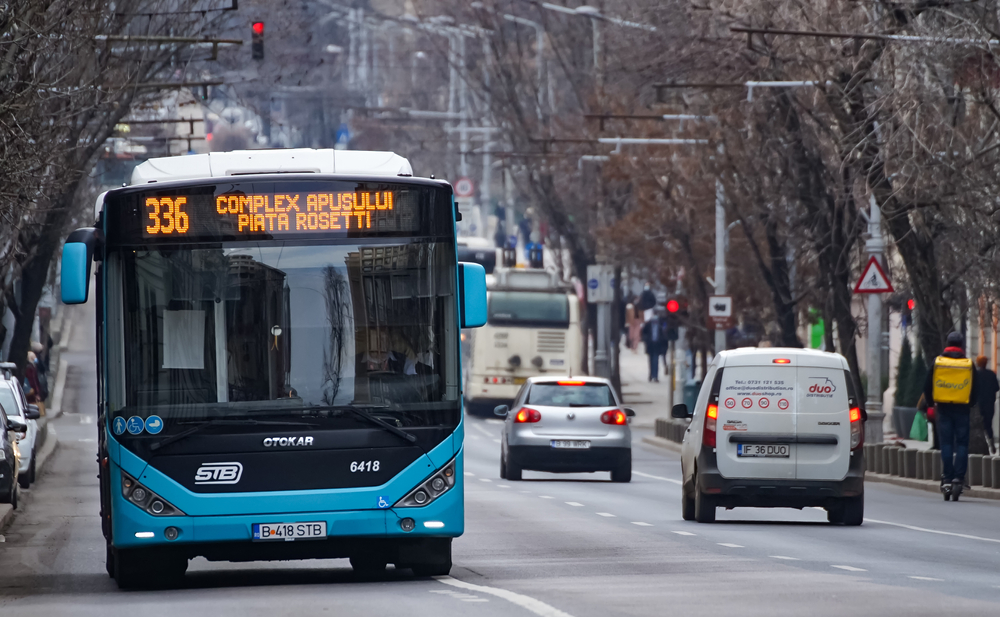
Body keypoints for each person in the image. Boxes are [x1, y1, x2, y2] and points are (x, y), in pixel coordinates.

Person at [924, 332, 978, 500]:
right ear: (961, 345)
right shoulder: (968, 364)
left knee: (946, 443)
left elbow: (927, 384)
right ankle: (959, 478)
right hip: (962, 408)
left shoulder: (938, 362)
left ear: (947, 343)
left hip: (944, 407)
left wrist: (931, 402)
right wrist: (970, 404)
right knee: (962, 443)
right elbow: (975, 388)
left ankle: (947, 477)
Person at [975, 355, 998, 455]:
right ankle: (991, 443)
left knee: (979, 425)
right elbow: (997, 388)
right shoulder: (991, 374)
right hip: (990, 403)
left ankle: (980, 444)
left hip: (978, 404)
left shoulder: (975, 374)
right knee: (988, 425)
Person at [641, 313, 667, 382]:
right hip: (650, 345)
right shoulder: (648, 324)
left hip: (657, 345)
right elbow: (643, 333)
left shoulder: (660, 325)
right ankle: (651, 375)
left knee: (656, 361)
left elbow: (663, 335)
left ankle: (655, 376)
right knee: (650, 361)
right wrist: (646, 339)